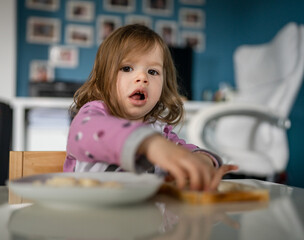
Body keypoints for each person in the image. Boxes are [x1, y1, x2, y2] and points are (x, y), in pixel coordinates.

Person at [63, 24, 237, 191]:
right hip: (91, 219)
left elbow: (184, 154)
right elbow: (85, 134)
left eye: (153, 72)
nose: (142, 77)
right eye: (127, 68)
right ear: (102, 81)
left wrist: (202, 161)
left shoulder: (160, 131)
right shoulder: (93, 114)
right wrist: (148, 143)